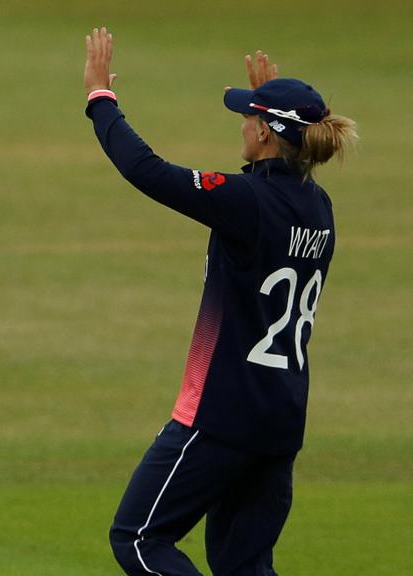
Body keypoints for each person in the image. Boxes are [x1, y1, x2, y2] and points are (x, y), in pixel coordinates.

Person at [83, 28, 357, 575]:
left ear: (263, 132)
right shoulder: (320, 207)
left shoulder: (246, 201)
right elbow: (275, 190)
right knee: (246, 566)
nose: (241, 125)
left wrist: (100, 99)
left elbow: (147, 171)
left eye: (248, 118)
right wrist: (272, 116)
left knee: (138, 539)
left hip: (220, 414)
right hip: (279, 419)